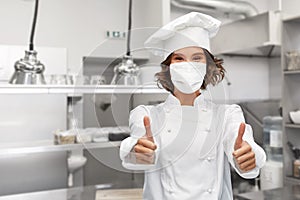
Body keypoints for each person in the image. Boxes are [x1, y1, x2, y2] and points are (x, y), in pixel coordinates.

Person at [119, 12, 266, 200]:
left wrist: (248, 159)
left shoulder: (228, 115)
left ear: (208, 66)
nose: (188, 65)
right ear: (168, 68)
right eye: (179, 59)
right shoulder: (145, 115)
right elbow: (136, 145)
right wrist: (137, 152)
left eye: (197, 58)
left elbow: (245, 150)